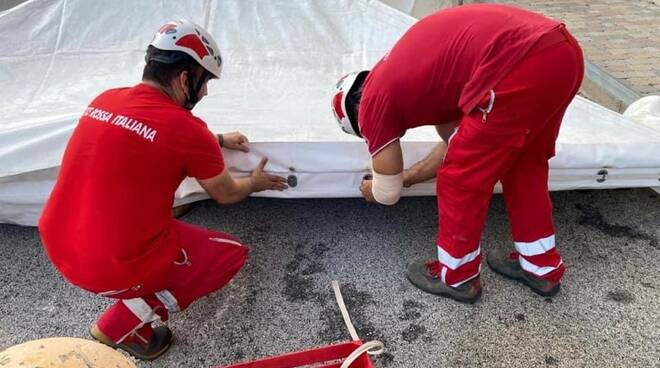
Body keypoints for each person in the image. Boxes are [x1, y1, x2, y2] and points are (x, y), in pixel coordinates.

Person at [38, 20, 287, 360]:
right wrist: (256, 183)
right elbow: (226, 194)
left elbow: (148, 135)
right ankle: (122, 325)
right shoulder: (187, 131)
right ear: (185, 78)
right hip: (106, 265)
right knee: (230, 254)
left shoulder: (105, 100)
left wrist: (216, 141)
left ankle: (133, 296)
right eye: (204, 82)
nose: (204, 93)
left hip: (57, 242)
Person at [331, 4, 584, 303]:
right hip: (560, 52)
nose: (373, 136)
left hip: (518, 61)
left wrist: (374, 188)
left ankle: (457, 276)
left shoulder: (373, 101)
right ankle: (541, 265)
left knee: (460, 180)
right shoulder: (418, 77)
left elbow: (389, 192)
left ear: (356, 113)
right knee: (522, 167)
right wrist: (411, 177)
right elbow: (455, 145)